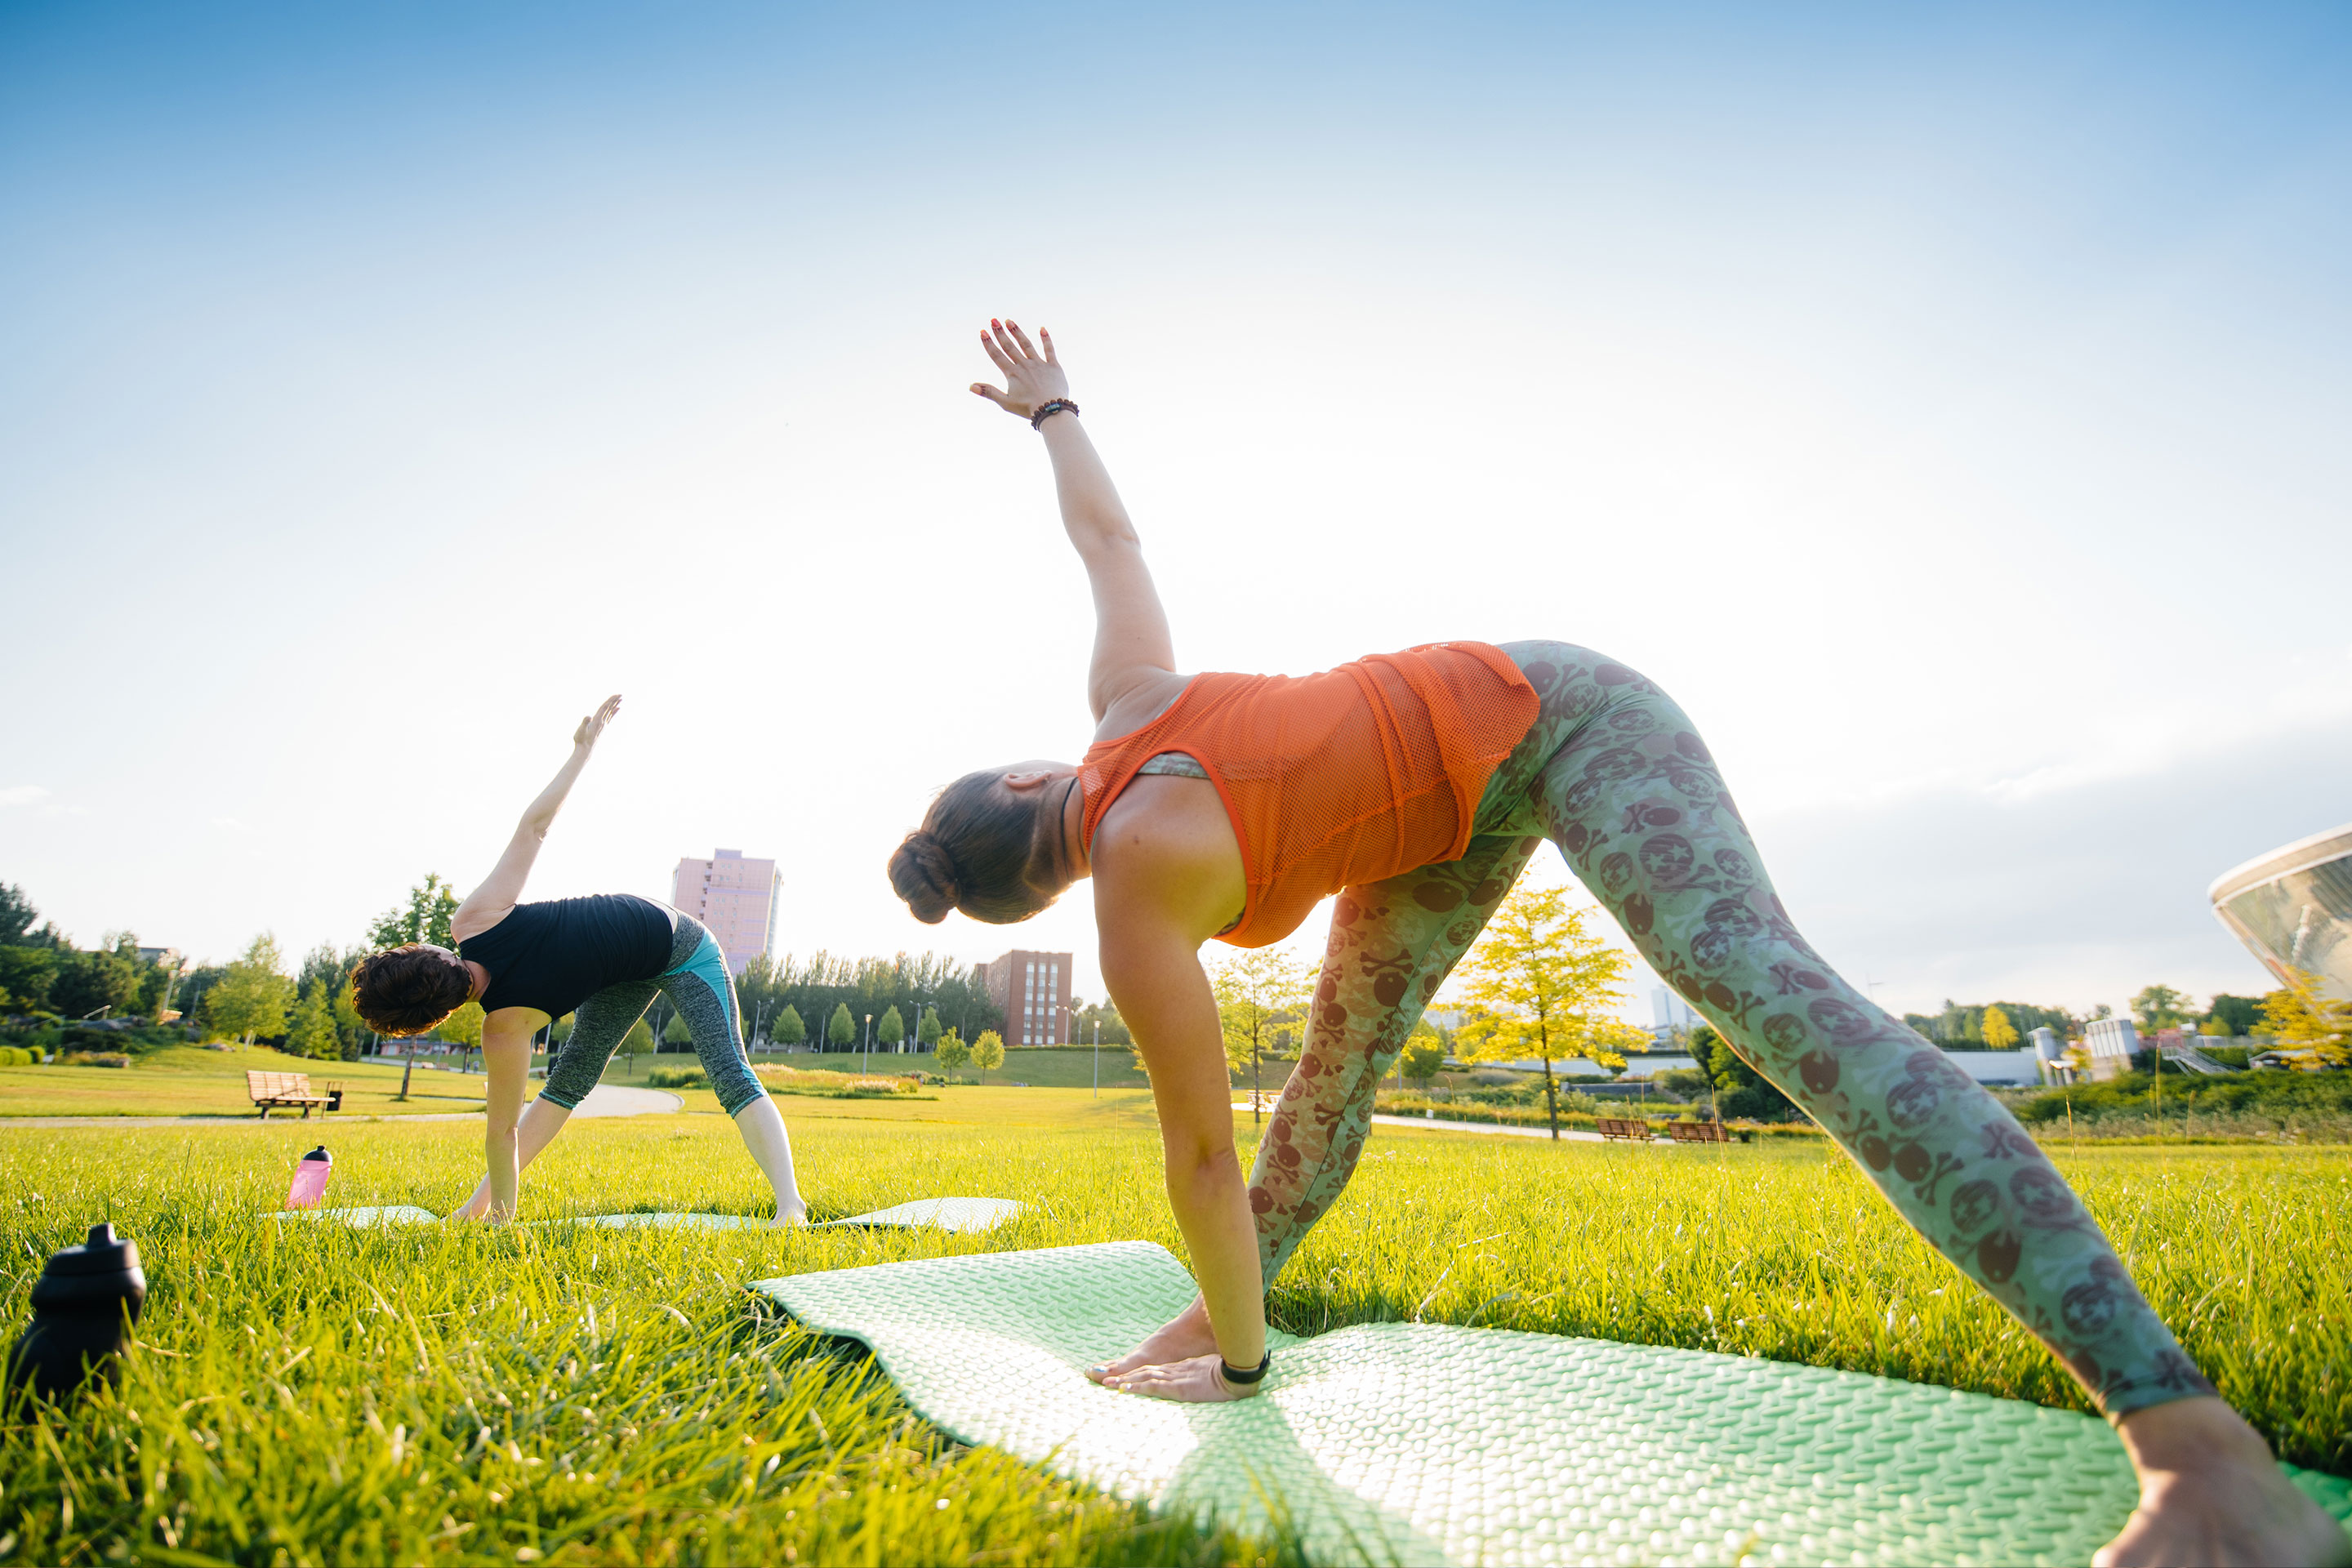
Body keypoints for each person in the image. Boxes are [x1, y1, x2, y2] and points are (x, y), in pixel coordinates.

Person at [885, 320, 2345, 1568]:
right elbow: (1109, 536)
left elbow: (1195, 1157)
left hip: (1568, 718)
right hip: (1433, 829)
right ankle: (1209, 1322)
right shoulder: (1127, 700)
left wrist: (1257, 1375)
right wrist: (1056, 408)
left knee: (1767, 999)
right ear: (1027, 785)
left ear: (1039, 888)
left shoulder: (1131, 880)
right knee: (1327, 1092)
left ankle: (2196, 1443)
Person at [350, 697, 806, 1226]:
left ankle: (790, 1204)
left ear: (435, 1017)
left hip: (683, 948)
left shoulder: (503, 1027)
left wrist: (505, 1209)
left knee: (729, 1071)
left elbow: (502, 1132)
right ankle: (474, 1211)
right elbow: (533, 828)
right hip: (619, 974)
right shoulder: (471, 922)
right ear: (428, 954)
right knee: (573, 1083)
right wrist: (580, 754)